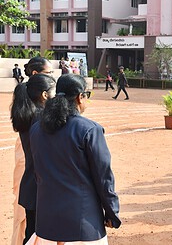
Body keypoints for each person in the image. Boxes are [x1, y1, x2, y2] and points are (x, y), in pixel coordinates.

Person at [27, 74, 121, 243]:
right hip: (83, 222)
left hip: (47, 221)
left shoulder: (36, 130)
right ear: (80, 97)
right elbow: (103, 177)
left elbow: (37, 174)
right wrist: (112, 212)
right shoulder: (89, 130)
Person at [11, 57, 54, 245]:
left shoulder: (26, 109)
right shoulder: (41, 118)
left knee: (29, 229)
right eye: (48, 74)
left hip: (29, 183)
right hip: (38, 183)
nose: (52, 77)